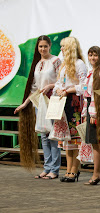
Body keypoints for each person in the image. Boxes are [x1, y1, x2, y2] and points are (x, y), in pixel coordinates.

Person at [14, 35, 61, 178]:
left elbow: (61, 81)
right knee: (44, 136)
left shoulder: (56, 61)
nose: (43, 49)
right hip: (40, 103)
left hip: (53, 100)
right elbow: (34, 88)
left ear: (50, 46)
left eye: (45, 46)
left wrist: (50, 86)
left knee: (53, 135)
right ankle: (47, 168)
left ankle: (55, 170)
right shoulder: (37, 63)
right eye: (40, 46)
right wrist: (25, 104)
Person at [53, 37, 87, 182]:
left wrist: (70, 89)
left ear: (71, 48)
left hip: (75, 103)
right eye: (61, 46)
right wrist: (59, 90)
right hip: (64, 102)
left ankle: (75, 169)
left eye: (63, 47)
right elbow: (57, 83)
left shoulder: (79, 64)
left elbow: (85, 86)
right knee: (67, 139)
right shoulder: (64, 65)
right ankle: (68, 169)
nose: (61, 49)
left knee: (76, 138)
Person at [82, 46, 100, 185]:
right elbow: (87, 93)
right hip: (90, 107)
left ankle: (96, 174)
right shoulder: (91, 71)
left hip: (96, 109)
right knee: (95, 143)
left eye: (95, 55)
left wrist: (94, 113)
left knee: (96, 143)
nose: (93, 58)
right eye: (90, 55)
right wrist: (85, 112)